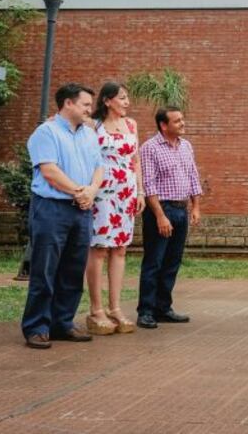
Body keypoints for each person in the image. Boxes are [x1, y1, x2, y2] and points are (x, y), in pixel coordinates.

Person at [22, 83, 104, 349]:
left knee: (73, 269)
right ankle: (37, 326)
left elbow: (98, 168)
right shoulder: (45, 132)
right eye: (86, 105)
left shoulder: (89, 135)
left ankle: (62, 323)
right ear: (68, 103)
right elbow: (49, 171)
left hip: (81, 210)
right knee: (45, 269)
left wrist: (90, 190)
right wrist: (78, 191)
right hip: (51, 208)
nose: (90, 110)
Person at [84, 82, 144, 335]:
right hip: (102, 191)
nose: (127, 102)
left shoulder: (131, 125)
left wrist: (140, 190)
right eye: (122, 98)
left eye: (127, 97)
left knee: (120, 249)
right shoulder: (92, 125)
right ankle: (96, 309)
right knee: (99, 248)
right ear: (107, 101)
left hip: (126, 192)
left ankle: (115, 307)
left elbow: (135, 159)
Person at [136, 106, 202, 329]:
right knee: (154, 261)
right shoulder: (150, 148)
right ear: (164, 125)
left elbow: (193, 175)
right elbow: (149, 185)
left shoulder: (186, 146)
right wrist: (160, 216)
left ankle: (163, 308)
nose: (182, 124)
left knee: (173, 261)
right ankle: (145, 311)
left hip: (181, 209)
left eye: (182, 119)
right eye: (177, 121)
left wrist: (195, 206)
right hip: (160, 210)